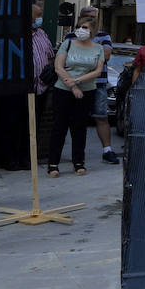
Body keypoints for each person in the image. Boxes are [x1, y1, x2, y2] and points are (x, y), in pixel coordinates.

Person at [0, 5, 54, 171]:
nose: (41, 19)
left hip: (39, 88)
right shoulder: (13, 35)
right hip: (16, 89)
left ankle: (25, 157)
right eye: (38, 16)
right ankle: (9, 159)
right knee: (11, 123)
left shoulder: (42, 34)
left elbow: (49, 56)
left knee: (31, 125)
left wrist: (49, 69)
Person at [46, 15, 106, 177]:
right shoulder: (68, 44)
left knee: (79, 128)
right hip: (63, 90)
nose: (81, 30)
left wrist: (78, 81)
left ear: (93, 30)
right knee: (60, 126)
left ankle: (78, 162)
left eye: (85, 27)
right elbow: (59, 67)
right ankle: (53, 164)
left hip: (87, 91)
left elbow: (97, 71)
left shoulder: (98, 48)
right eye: (79, 27)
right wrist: (73, 86)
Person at [77, 6, 120, 165]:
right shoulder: (72, 36)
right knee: (77, 119)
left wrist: (84, 51)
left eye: (94, 17)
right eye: (88, 17)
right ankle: (77, 153)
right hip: (79, 84)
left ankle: (107, 150)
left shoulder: (104, 35)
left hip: (99, 84)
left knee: (101, 117)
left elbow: (107, 55)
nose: (91, 20)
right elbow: (70, 56)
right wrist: (97, 49)